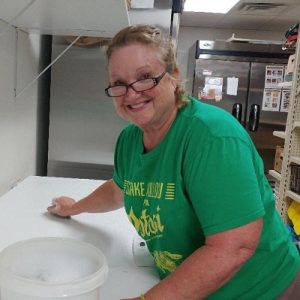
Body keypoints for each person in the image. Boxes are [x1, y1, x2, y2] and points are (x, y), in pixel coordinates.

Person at [47, 24, 300, 299]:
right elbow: (120, 189)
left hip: (262, 290)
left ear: (173, 76)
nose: (131, 94)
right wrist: (74, 208)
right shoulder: (130, 139)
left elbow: (233, 248)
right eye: (119, 83)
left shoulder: (212, 138)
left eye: (144, 77)